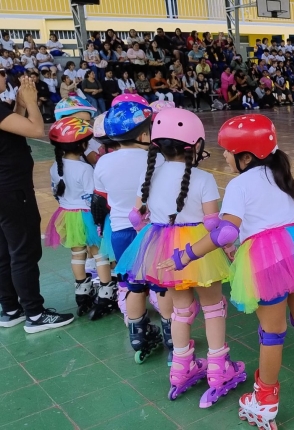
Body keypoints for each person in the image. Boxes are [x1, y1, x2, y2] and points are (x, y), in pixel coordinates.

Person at [158, 114, 294, 429]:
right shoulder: (280, 174)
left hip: (265, 261)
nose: (224, 156)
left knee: (272, 334)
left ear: (246, 156)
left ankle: (265, 402)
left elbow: (226, 234)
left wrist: (185, 255)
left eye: (228, 151)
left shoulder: (238, 185)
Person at [114, 108, 245, 407]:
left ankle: (181, 368)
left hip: (163, 247)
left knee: (179, 310)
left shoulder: (149, 176)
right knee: (214, 306)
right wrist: (228, 249)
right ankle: (217, 368)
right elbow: (213, 225)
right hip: (199, 248)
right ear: (196, 146)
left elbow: (137, 215)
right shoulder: (203, 178)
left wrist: (149, 241)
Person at [97, 101, 173, 364]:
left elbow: (104, 198)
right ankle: (172, 335)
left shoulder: (103, 162)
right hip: (153, 232)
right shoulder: (158, 158)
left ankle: (138, 337)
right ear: (143, 134)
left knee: (133, 285)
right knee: (162, 285)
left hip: (120, 233)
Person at [0, 73, 75, 333]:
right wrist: (32, 102)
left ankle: (10, 309)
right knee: (23, 252)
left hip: (4, 192)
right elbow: (34, 129)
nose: (4, 76)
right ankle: (34, 313)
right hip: (11, 189)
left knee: (4, 252)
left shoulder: (2, 110)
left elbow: (12, 129)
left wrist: (20, 103)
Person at [44, 117, 114, 318]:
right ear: (83, 145)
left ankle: (82, 293)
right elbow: (92, 197)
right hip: (86, 216)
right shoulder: (84, 168)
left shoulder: (54, 167)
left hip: (67, 214)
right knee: (99, 254)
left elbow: (56, 193)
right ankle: (105, 292)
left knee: (77, 255)